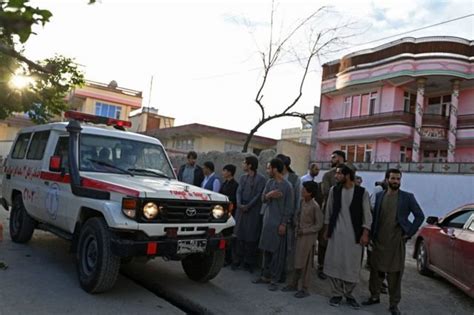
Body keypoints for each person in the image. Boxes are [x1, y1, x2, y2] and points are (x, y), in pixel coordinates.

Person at [362, 169, 425, 315]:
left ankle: (393, 304)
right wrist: (370, 235)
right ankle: (374, 296)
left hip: (396, 242)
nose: (396, 181)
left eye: (398, 179)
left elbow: (419, 216)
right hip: (379, 240)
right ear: (386, 179)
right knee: (375, 271)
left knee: (394, 274)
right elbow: (373, 217)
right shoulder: (378, 196)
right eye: (393, 178)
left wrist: (408, 233)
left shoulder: (407, 197)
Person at [323, 164, 371, 309]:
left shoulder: (361, 192)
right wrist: (326, 229)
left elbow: (367, 216)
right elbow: (329, 211)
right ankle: (336, 294)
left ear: (347, 175)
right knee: (335, 262)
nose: (336, 176)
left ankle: (349, 294)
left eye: (339, 174)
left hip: (354, 236)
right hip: (336, 234)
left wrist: (365, 233)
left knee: (352, 265)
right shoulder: (334, 190)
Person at [254, 158, 293, 291]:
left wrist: (283, 224)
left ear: (275, 169)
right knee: (266, 249)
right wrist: (269, 194)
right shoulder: (269, 183)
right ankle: (265, 275)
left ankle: (274, 279)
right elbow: (263, 199)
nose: (267, 170)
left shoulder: (287, 186)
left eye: (269, 168)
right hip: (268, 220)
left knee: (277, 252)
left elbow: (289, 207)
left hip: (278, 223)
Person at [282, 181, 323, 298]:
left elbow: (318, 225)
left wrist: (305, 230)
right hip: (299, 235)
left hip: (308, 238)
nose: (301, 191)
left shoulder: (315, 206)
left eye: (304, 190)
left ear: (310, 193)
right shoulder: (302, 202)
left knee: (306, 263)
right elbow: (298, 215)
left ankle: (305, 288)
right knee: (297, 261)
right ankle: (294, 284)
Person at [233, 156, 266, 273]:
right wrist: (239, 204)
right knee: (239, 236)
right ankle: (237, 260)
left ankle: (249, 262)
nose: (243, 165)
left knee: (251, 238)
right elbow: (239, 191)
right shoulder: (242, 178)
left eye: (244, 163)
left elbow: (258, 195)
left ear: (250, 165)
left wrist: (248, 206)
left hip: (252, 211)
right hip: (241, 210)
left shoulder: (261, 179)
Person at [318, 150, 346, 280]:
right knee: (324, 239)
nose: (331, 159)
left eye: (334, 157)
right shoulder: (328, 175)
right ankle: (321, 266)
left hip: (344, 213)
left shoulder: (350, 173)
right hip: (328, 211)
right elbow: (326, 192)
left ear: (340, 159)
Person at [275, 154, 300, 283]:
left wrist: (293, 218)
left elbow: (297, 201)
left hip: (288, 219)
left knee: (286, 248)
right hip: (275, 217)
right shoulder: (274, 178)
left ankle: (284, 274)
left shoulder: (294, 179)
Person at [219, 164, 239, 266]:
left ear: (230, 172)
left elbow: (233, 199)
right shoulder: (224, 183)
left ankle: (228, 259)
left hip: (229, 214)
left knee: (228, 237)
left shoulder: (235, 185)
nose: (223, 173)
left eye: (225, 170)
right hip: (221, 214)